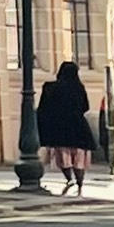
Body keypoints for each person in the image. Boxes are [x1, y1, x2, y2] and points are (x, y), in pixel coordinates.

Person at [37, 61, 96, 195]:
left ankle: (69, 179)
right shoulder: (79, 87)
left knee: (63, 156)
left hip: (60, 127)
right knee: (79, 157)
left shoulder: (51, 88)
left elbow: (43, 108)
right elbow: (85, 106)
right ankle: (79, 184)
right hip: (78, 127)